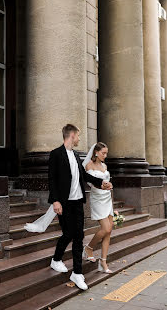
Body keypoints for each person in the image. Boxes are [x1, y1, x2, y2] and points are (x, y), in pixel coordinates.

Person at [48, 124, 112, 290]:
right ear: (71, 136)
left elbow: (84, 176)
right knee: (68, 233)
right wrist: (55, 201)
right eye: (78, 136)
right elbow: (52, 179)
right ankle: (56, 259)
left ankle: (77, 273)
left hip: (77, 201)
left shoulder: (76, 155)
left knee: (79, 236)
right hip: (64, 202)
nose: (79, 139)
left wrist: (100, 183)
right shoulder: (56, 154)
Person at [82, 142, 114, 273]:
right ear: (96, 152)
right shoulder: (88, 165)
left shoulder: (104, 165)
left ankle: (103, 262)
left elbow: (109, 183)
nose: (105, 156)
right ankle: (89, 248)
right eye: (103, 153)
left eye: (106, 153)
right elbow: (90, 182)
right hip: (97, 199)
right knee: (105, 228)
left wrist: (109, 186)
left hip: (107, 199)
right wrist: (101, 185)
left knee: (109, 231)